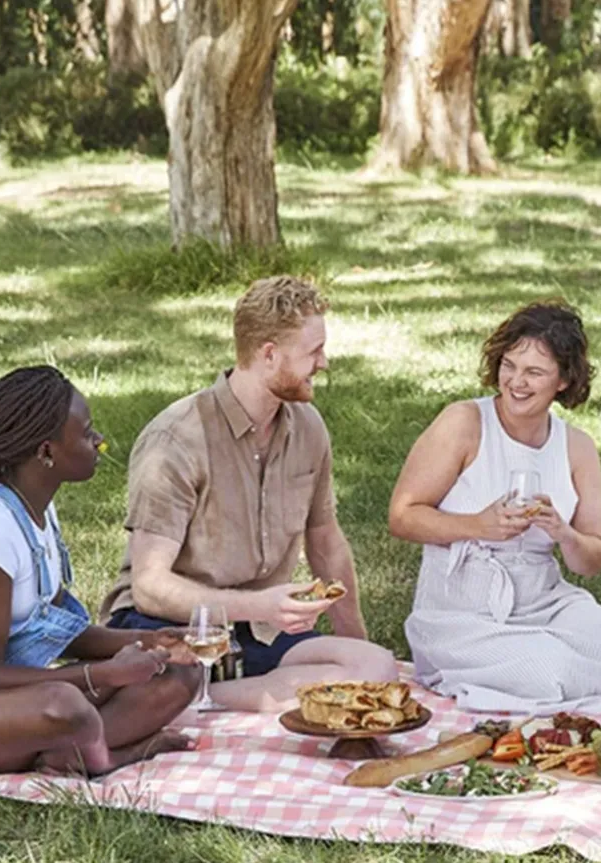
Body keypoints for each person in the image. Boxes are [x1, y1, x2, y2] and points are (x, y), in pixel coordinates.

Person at [99, 276, 397, 712]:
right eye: (313, 351)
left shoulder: (309, 428)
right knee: (323, 691)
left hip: (258, 630)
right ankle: (185, 693)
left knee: (376, 667)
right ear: (269, 355)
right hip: (174, 629)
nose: (325, 362)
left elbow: (325, 540)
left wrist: (353, 641)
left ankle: (203, 700)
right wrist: (260, 604)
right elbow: (150, 587)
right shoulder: (176, 439)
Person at [388, 301, 601, 712]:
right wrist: (478, 525)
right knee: (553, 672)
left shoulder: (577, 447)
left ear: (564, 380)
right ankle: (560, 683)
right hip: (462, 617)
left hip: (546, 605)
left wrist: (563, 533)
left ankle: (573, 680)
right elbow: (402, 516)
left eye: (534, 372)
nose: (516, 382)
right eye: (509, 365)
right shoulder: (464, 423)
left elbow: (592, 561)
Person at [0, 366, 200, 784]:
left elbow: (53, 631)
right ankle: (101, 756)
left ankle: (62, 750)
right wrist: (104, 674)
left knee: (181, 672)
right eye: (87, 432)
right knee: (63, 704)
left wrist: (148, 642)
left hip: (10, 700)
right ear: (46, 452)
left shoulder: (39, 511)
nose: (99, 440)